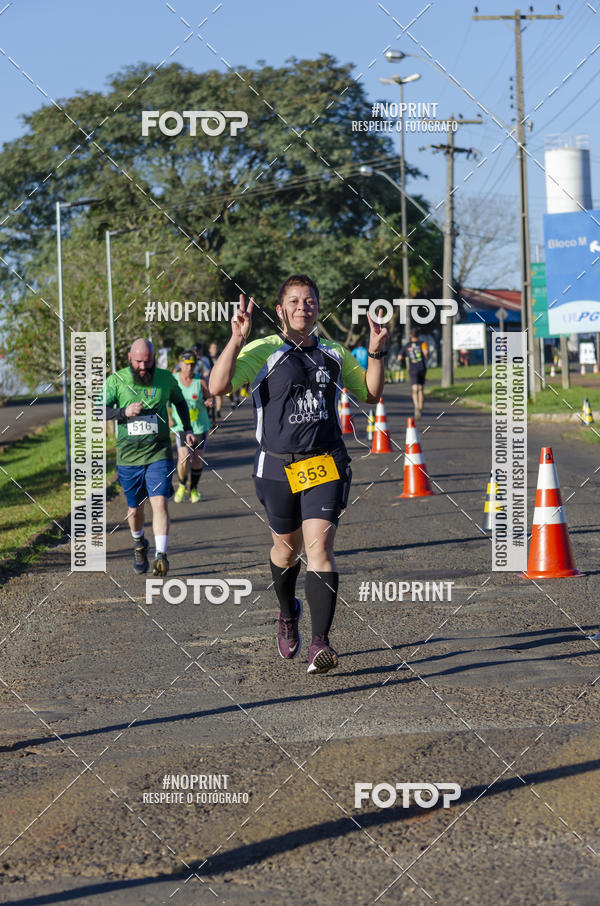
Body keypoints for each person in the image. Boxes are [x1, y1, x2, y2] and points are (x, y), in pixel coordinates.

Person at [209, 275, 387, 674]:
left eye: (309, 300)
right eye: (293, 301)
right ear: (280, 310)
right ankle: (288, 612)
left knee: (319, 548)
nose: (302, 307)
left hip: (324, 463)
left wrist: (376, 353)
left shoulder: (334, 353)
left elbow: (371, 395)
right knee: (285, 551)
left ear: (317, 307)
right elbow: (217, 386)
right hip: (275, 466)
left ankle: (320, 643)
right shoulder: (264, 350)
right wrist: (237, 339)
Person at [103, 338, 196, 576]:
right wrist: (123, 412)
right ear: (129, 358)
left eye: (147, 361)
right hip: (128, 457)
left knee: (160, 503)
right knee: (134, 511)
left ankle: (161, 556)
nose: (143, 367)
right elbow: (97, 409)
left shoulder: (165, 378)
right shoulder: (116, 380)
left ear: (154, 358)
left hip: (159, 453)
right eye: (138, 362)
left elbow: (180, 403)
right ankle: (138, 543)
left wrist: (187, 429)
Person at [171, 350, 211, 503]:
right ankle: (181, 485)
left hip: (199, 425)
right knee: (184, 457)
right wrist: (168, 417)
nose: (189, 368)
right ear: (180, 364)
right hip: (180, 424)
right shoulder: (173, 380)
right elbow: (166, 400)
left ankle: (193, 489)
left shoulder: (200, 380)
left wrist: (209, 401)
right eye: (187, 365)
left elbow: (209, 397)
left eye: (192, 365)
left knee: (197, 459)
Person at [401, 329, 429, 419]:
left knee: (414, 389)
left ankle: (416, 406)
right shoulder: (423, 343)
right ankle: (420, 407)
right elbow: (426, 353)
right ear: (418, 335)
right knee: (420, 388)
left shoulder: (407, 345)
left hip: (412, 368)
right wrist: (426, 357)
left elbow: (399, 357)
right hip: (421, 367)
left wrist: (404, 359)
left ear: (410, 336)